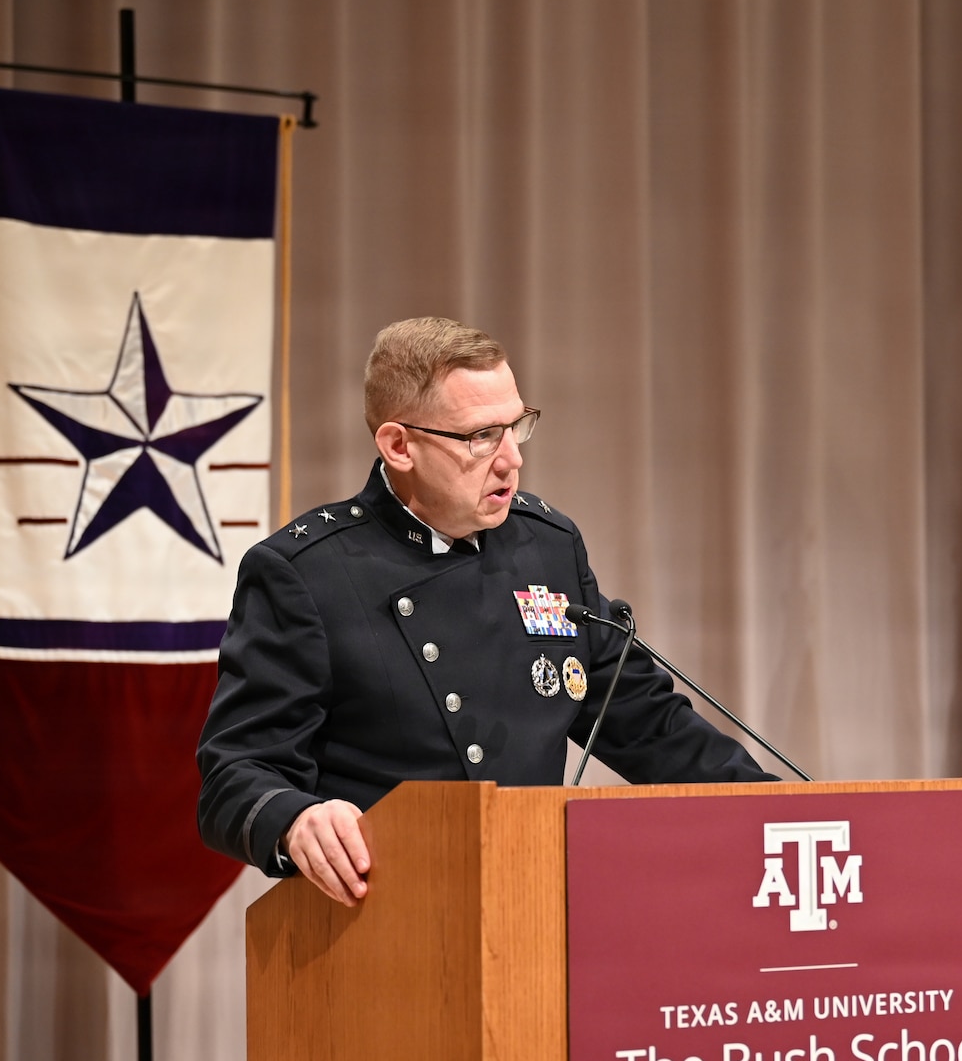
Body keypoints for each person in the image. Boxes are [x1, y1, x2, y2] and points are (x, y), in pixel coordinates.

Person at [197, 317, 770, 905]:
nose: (511, 459)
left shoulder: (546, 546)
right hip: (382, 927)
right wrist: (295, 820)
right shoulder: (306, 573)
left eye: (517, 426)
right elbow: (234, 778)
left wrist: (776, 809)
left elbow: (647, 722)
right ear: (399, 446)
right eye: (480, 436)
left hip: (531, 912)